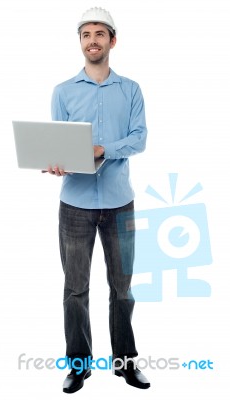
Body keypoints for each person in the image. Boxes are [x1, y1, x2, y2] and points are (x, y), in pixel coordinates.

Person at [46, 7, 150, 394]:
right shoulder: (63, 91)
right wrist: (57, 163)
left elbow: (139, 139)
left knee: (122, 289)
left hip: (120, 202)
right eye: (86, 34)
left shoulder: (131, 90)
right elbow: (56, 144)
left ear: (112, 41)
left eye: (99, 34)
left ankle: (124, 362)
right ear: (81, 42)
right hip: (74, 204)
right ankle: (78, 365)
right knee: (75, 289)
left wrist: (104, 148)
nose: (92, 40)